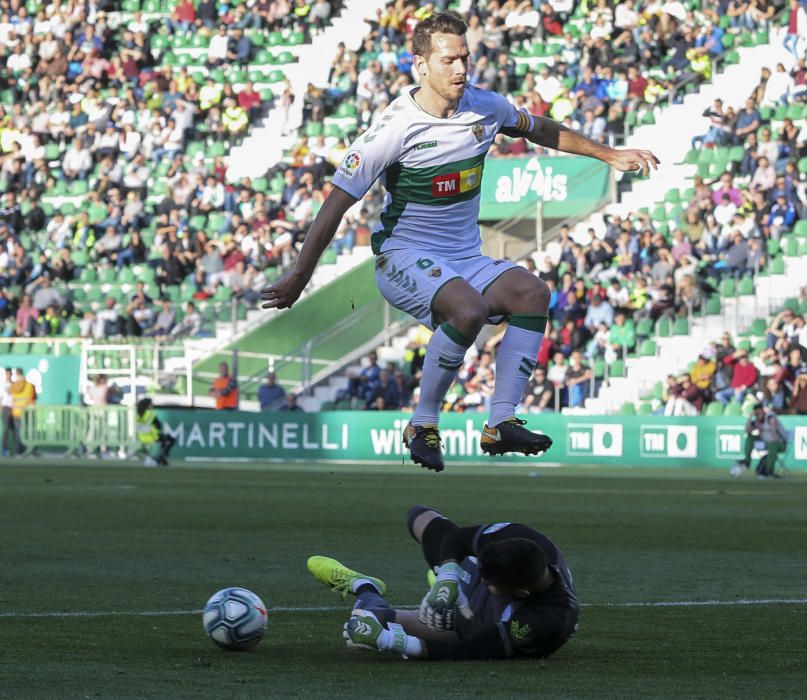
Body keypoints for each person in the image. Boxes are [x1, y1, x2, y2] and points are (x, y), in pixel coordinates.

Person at [260, 11, 659, 472]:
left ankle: (500, 423)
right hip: (402, 256)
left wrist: (609, 154)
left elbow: (539, 128)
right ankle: (422, 424)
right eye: (449, 60)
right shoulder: (392, 129)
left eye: (465, 58)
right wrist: (299, 276)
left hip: (463, 257)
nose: (461, 69)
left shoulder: (484, 107)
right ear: (420, 65)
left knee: (533, 293)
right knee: (468, 311)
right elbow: (335, 205)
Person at [306, 505, 579, 660]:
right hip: (467, 582)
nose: (485, 582)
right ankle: (439, 582)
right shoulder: (523, 540)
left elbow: (470, 649)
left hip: (472, 626)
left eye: (489, 583)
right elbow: (458, 539)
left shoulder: (547, 620)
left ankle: (363, 586)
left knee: (364, 620)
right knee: (420, 517)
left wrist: (394, 641)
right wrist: (448, 574)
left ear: (520, 593)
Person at [731, 403, 789, 480]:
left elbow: (774, 435)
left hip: (780, 443)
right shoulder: (756, 421)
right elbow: (747, 431)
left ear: (763, 411)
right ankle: (747, 461)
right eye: (756, 414)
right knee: (750, 437)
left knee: (772, 444)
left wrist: (761, 428)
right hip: (766, 442)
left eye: (759, 413)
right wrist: (750, 418)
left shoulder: (770, 418)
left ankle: (769, 471)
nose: (757, 416)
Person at [135, 398, 176, 467]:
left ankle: (161, 459)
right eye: (151, 404)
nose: (152, 405)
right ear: (148, 405)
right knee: (171, 440)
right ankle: (161, 458)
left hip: (141, 437)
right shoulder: (150, 414)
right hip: (152, 436)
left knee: (165, 441)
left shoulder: (138, 415)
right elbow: (158, 426)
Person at [9, 368, 36, 455]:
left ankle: (18, 451)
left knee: (18, 432)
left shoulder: (12, 386)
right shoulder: (29, 385)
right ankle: (26, 450)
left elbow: (11, 399)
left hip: (16, 412)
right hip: (26, 412)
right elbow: (32, 398)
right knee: (26, 431)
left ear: (16, 374)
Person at [0, 367, 13, 456]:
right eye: (7, 374)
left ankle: (17, 450)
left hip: (13, 409)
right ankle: (4, 449)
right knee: (5, 430)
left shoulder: (14, 385)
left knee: (15, 429)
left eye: (9, 374)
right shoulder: (2, 385)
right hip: (5, 408)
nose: (8, 376)